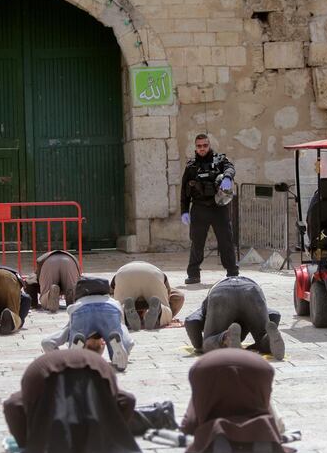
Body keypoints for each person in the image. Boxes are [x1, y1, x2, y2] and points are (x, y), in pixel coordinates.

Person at [0, 348, 146, 453]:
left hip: (45, 372)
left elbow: (12, 405)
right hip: (96, 368)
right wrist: (115, 435)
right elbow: (128, 400)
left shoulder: (37, 383)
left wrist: (26, 444)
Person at [181, 348, 288, 453]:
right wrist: (277, 425)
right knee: (261, 411)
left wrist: (189, 427)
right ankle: (263, 432)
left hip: (206, 368)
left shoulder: (200, 368)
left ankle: (217, 431)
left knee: (204, 420)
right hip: (257, 366)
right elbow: (270, 409)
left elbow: (190, 420)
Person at [40, 276, 133, 371]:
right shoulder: (113, 304)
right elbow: (129, 341)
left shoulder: (78, 307)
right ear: (103, 343)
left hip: (82, 308)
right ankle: (116, 358)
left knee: (121, 340)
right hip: (109, 307)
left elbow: (47, 343)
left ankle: (73, 357)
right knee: (120, 342)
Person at [180, 134, 238, 284]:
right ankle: (193, 274)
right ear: (195, 147)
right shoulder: (191, 166)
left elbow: (230, 167)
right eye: (199, 146)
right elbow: (184, 191)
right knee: (197, 242)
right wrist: (184, 211)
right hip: (199, 208)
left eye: (205, 146)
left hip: (218, 207)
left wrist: (227, 177)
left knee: (226, 240)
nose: (202, 149)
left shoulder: (219, 160)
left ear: (209, 145)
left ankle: (232, 272)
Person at [184, 276, 285, 360]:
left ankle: (226, 337)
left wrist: (199, 346)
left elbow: (191, 321)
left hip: (221, 292)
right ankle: (269, 339)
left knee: (208, 344)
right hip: (252, 290)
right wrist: (266, 326)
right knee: (262, 336)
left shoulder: (206, 304)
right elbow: (275, 314)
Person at [110, 261, 185, 330]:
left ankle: (125, 315)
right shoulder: (155, 269)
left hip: (123, 275)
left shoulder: (122, 270)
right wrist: (166, 304)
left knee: (118, 308)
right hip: (153, 274)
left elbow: (110, 295)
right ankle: (160, 311)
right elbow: (170, 291)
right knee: (166, 308)